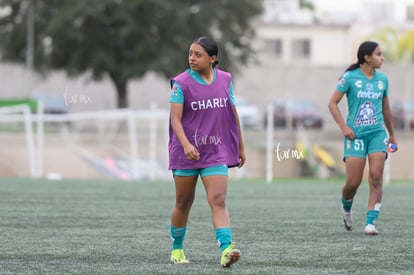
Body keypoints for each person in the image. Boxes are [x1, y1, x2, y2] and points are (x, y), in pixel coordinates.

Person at [168, 36, 246, 267]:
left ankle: (226, 249)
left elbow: (232, 114)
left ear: (213, 59)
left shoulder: (225, 80)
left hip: (215, 151)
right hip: (185, 152)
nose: (192, 58)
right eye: (190, 53)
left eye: (198, 54)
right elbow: (175, 119)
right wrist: (186, 144)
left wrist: (240, 145)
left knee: (218, 199)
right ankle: (177, 248)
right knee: (184, 202)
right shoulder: (180, 83)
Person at [328, 41, 397, 236]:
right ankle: (346, 208)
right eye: (378, 54)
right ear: (367, 57)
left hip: (377, 134)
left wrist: (391, 135)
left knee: (376, 177)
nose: (382, 58)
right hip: (355, 135)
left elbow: (386, 109)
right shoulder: (349, 78)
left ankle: (370, 223)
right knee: (353, 183)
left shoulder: (383, 80)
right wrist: (344, 127)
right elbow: (332, 103)